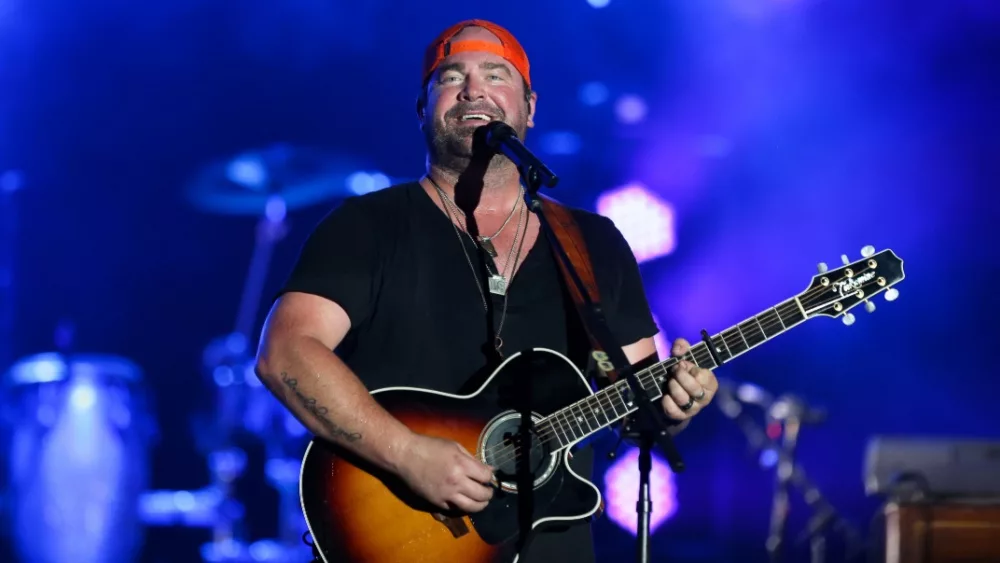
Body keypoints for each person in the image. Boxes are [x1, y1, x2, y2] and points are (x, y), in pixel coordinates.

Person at [254, 19, 719, 563]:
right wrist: (407, 455)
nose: (474, 90)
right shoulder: (366, 226)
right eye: (451, 78)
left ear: (530, 106)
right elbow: (285, 353)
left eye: (496, 75)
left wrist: (674, 406)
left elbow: (636, 402)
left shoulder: (594, 243)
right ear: (423, 109)